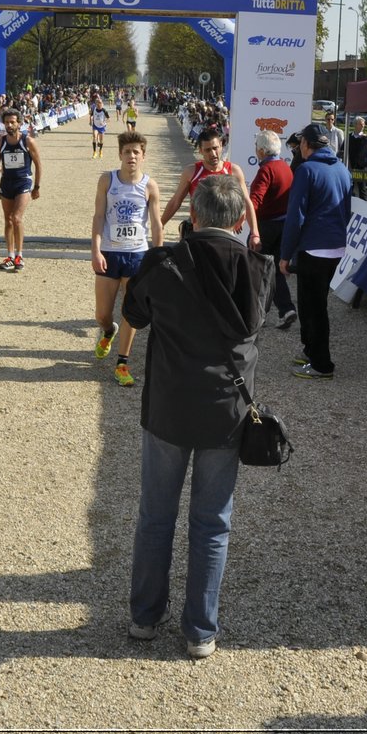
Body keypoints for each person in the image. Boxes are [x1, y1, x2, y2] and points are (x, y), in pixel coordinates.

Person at [122, 175, 273, 659]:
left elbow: (135, 314)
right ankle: (200, 630)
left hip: (168, 405)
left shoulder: (165, 264)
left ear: (196, 215)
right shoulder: (256, 267)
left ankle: (145, 617)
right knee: (213, 522)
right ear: (237, 220)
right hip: (225, 412)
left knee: (156, 515)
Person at [91, 130, 163, 387]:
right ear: (120, 154)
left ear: (143, 155)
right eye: (127, 152)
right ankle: (109, 331)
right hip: (110, 253)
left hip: (137, 255)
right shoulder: (107, 181)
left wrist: (157, 257)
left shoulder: (150, 186)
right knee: (102, 313)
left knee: (130, 311)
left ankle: (122, 362)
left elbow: (156, 225)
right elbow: (99, 217)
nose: (131, 156)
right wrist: (96, 250)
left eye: (136, 152)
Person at [279, 122, 352, 380]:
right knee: (313, 303)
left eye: (300, 144)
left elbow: (295, 217)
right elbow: (347, 211)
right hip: (334, 246)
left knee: (315, 306)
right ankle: (311, 351)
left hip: (314, 247)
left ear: (306, 145)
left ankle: (322, 364)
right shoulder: (342, 169)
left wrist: (285, 255)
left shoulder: (307, 170)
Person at [159, 128, 260, 247]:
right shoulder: (191, 172)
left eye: (215, 148)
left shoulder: (233, 171)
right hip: (199, 232)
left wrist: (255, 234)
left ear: (221, 145)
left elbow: (246, 202)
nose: (213, 154)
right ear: (200, 150)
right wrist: (160, 225)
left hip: (225, 232)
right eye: (207, 150)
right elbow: (176, 201)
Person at [0, 110, 42, 271]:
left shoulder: (27, 141)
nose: (9, 125)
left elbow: (38, 164)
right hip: (7, 182)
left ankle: (20, 255)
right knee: (8, 220)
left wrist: (37, 186)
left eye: (12, 122)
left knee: (16, 218)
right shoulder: (0, 142)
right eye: (6, 122)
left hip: (23, 182)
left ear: (19, 123)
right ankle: (10, 256)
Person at [249, 129, 296, 329]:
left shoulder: (266, 170)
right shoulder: (286, 168)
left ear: (261, 151)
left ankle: (256, 313)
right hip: (284, 225)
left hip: (267, 226)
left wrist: (251, 227)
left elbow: (254, 201)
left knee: (254, 268)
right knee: (274, 270)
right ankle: (286, 309)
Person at [345, 117, 367, 201]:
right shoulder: (349, 137)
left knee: (362, 189)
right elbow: (343, 149)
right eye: (361, 124)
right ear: (355, 125)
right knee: (350, 188)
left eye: (363, 124)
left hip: (362, 168)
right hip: (351, 167)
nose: (363, 126)